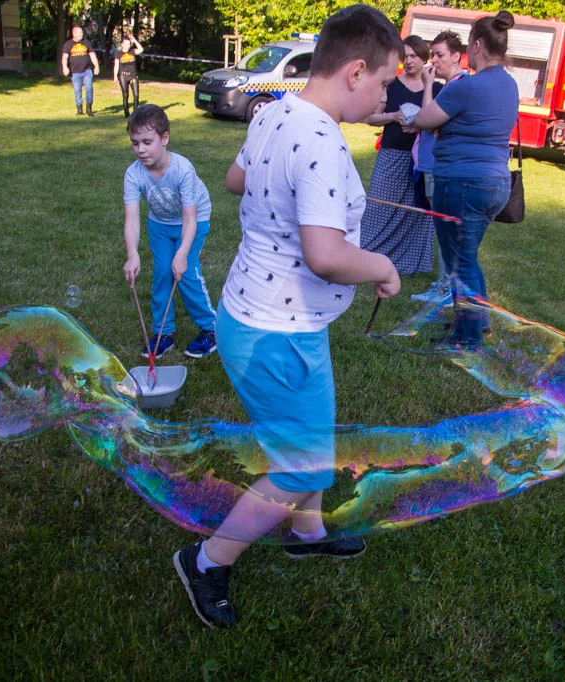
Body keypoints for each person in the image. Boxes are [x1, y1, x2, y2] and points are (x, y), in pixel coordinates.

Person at [171, 4, 403, 629]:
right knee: (299, 463)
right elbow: (326, 257)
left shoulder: (276, 109)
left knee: (314, 434)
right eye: (384, 82)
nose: (385, 96)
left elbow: (235, 179)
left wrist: (290, 192)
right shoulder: (323, 141)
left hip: (270, 316)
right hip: (277, 331)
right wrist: (381, 266)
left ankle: (307, 529)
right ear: (356, 71)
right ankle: (207, 560)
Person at [412, 11, 519, 348]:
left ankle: (466, 338)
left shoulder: (468, 85)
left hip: (461, 182)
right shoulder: (510, 83)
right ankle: (479, 322)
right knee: (467, 257)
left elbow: (424, 119)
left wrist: (429, 89)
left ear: (476, 45)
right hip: (495, 183)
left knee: (461, 262)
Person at [122, 104, 217, 359]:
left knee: (185, 272)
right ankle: (163, 332)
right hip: (160, 224)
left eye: (146, 141)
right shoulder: (133, 174)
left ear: (165, 138)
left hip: (194, 220)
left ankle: (211, 329)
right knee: (163, 273)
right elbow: (132, 219)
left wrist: (183, 253)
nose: (140, 149)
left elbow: (190, 219)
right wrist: (132, 254)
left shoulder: (182, 170)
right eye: (134, 143)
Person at [360, 35, 436, 276]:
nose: (409, 60)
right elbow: (371, 117)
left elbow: (436, 120)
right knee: (379, 205)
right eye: (406, 56)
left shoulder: (437, 88)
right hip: (392, 155)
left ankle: (410, 261)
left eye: (414, 56)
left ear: (424, 58)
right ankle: (368, 254)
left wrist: (420, 125)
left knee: (417, 212)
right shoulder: (391, 84)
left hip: (420, 161)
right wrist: (393, 117)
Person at [411, 30, 463, 304]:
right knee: (443, 230)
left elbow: (426, 118)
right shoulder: (453, 85)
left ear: (457, 56)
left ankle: (445, 290)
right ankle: (444, 285)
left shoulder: (455, 86)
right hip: (435, 165)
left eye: (440, 55)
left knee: (446, 231)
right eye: (433, 55)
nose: (435, 60)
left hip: (442, 167)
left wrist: (428, 84)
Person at [61, 25, 99, 116]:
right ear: (74, 33)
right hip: (75, 72)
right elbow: (64, 57)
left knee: (89, 88)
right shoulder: (68, 44)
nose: (82, 34)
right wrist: (65, 67)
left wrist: (96, 66)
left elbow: (92, 55)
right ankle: (79, 109)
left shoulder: (86, 43)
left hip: (87, 71)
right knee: (77, 91)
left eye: (82, 32)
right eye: (80, 32)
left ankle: (89, 109)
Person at [112, 35, 143, 118]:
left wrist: (135, 41)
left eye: (129, 44)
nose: (127, 46)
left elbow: (141, 49)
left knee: (136, 94)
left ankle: (136, 112)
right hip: (123, 76)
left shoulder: (132, 51)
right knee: (125, 95)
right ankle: (126, 113)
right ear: (121, 44)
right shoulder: (118, 53)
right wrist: (115, 75)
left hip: (133, 76)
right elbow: (116, 65)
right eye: (125, 44)